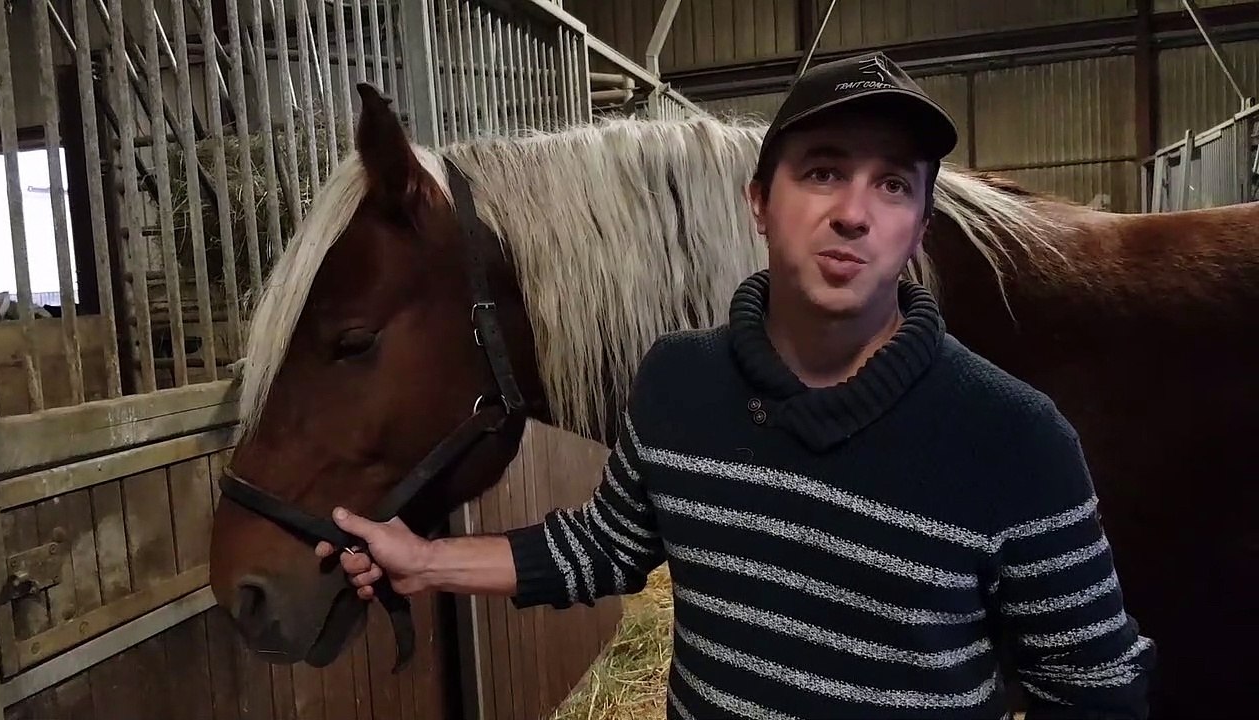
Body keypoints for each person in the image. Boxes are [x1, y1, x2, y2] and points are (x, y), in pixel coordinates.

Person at [315, 51, 1155, 719]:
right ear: (759, 201)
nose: (855, 212)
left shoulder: (1017, 437)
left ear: (918, 228)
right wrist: (424, 560)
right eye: (823, 171)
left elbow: (1092, 686)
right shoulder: (680, 383)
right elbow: (607, 546)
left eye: (893, 184)